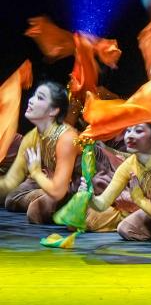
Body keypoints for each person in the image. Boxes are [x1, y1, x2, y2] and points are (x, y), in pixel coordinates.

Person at [0, 82, 119, 230]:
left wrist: (37, 173)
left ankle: (110, 212)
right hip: (67, 184)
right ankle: (70, 205)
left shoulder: (66, 138)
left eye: (40, 98)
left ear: (54, 111)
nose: (30, 100)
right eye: (33, 96)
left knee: (47, 213)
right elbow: (9, 182)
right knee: (21, 203)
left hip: (98, 179)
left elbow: (58, 191)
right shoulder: (31, 138)